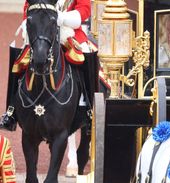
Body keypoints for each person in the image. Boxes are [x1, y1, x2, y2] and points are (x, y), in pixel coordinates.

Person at [0, 0, 98, 131]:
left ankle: (90, 108)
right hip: (42, 27)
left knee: (85, 52)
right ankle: (11, 111)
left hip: (68, 29)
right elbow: (28, 5)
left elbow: (84, 9)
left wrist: (63, 18)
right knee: (22, 55)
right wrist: (29, 19)